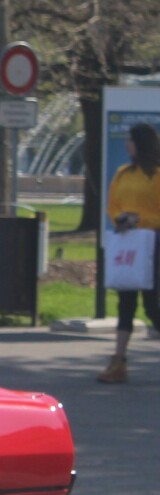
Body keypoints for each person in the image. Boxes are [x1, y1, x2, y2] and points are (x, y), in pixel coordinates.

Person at [98, 123, 160, 384]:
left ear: (142, 143)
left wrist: (140, 219)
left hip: (153, 243)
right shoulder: (123, 173)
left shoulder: (157, 175)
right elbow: (112, 204)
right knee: (125, 301)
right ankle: (118, 360)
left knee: (152, 303)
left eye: (131, 140)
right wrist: (119, 218)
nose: (127, 144)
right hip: (127, 242)